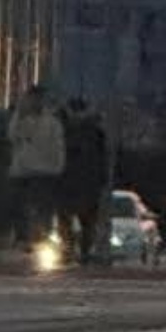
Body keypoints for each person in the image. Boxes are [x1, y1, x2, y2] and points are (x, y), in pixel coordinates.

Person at [8, 86, 66, 248]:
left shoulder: (52, 123)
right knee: (19, 206)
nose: (33, 102)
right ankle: (22, 237)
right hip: (21, 171)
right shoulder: (21, 119)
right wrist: (19, 115)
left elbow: (58, 147)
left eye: (37, 99)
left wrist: (58, 168)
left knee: (41, 206)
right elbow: (12, 136)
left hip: (44, 172)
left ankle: (40, 234)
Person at [61, 99, 109, 264]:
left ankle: (73, 249)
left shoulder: (67, 129)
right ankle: (80, 250)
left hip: (75, 181)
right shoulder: (95, 131)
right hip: (83, 181)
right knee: (84, 219)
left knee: (73, 218)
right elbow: (104, 159)